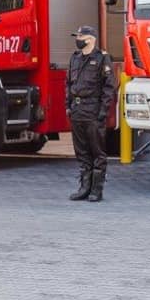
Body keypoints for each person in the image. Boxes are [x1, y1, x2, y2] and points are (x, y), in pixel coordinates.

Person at [66, 24, 115, 202]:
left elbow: (109, 88)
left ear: (90, 39)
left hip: (93, 110)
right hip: (78, 110)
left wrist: (103, 112)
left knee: (97, 151)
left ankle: (96, 189)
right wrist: (68, 106)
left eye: (80, 37)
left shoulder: (102, 58)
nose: (77, 41)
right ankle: (84, 187)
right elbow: (69, 85)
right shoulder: (75, 58)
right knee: (82, 152)